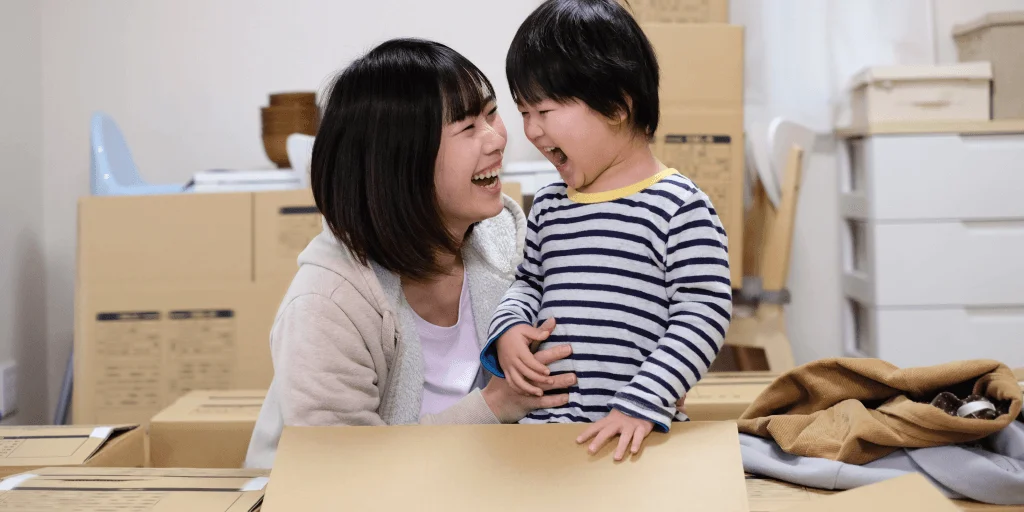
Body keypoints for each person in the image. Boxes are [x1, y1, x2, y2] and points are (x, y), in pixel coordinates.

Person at [245, 38, 577, 469]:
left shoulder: (504, 238)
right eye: (467, 128)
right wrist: (494, 406)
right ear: (401, 163)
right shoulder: (326, 304)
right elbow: (340, 471)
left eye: (492, 113)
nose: (497, 140)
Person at [481, 0, 733, 461]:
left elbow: (704, 310)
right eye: (523, 112)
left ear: (617, 105)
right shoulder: (551, 205)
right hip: (543, 431)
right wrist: (510, 328)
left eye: (545, 110)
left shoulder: (678, 206)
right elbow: (529, 282)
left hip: (636, 434)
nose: (531, 131)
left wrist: (645, 400)